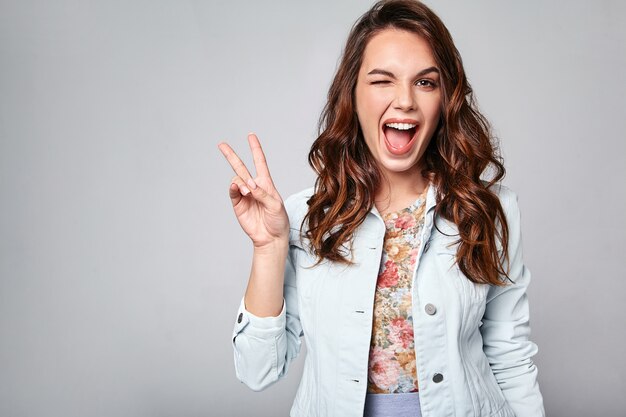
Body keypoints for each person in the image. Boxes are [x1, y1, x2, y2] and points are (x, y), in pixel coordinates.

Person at [218, 1, 545, 416]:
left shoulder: (488, 209)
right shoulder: (306, 216)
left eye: (425, 83)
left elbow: (510, 352)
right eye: (382, 81)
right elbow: (257, 370)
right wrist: (268, 248)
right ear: (352, 95)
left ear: (446, 98)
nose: (405, 101)